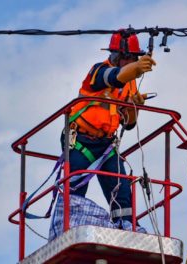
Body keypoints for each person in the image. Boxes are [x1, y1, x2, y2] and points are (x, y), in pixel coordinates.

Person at [49, 30, 156, 239]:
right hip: (81, 141)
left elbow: (129, 125)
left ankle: (126, 229)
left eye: (133, 58)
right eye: (127, 58)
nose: (129, 61)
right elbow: (113, 78)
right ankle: (67, 230)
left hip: (106, 145)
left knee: (122, 191)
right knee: (75, 189)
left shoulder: (130, 84)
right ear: (116, 55)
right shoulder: (97, 72)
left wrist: (134, 106)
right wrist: (134, 68)